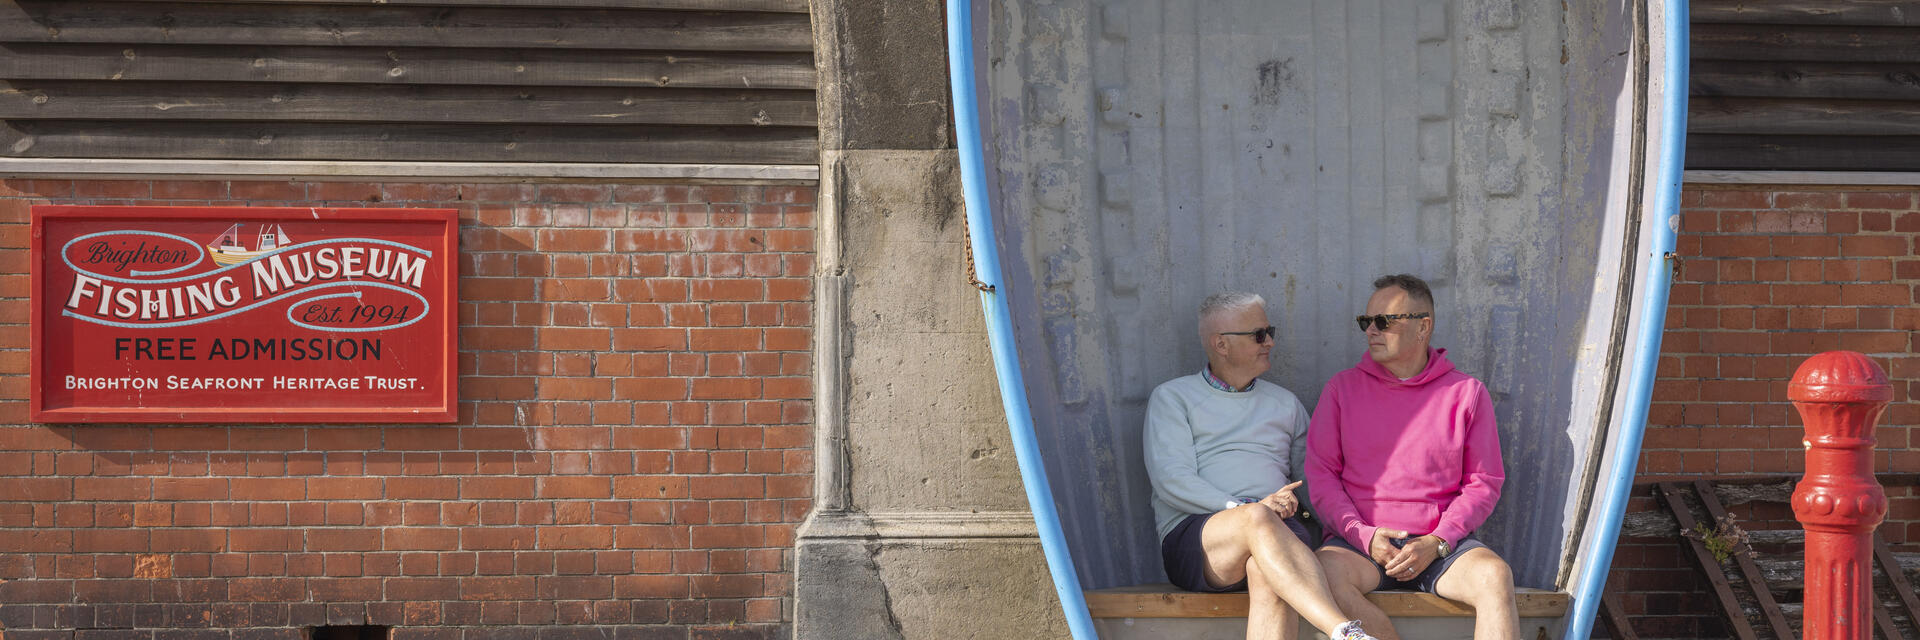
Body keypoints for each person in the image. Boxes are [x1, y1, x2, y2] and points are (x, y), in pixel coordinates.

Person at [1145, 292, 1379, 640]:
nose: (1269, 342)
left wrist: (1360, 533)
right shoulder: (1173, 398)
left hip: (1280, 528)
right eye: (1258, 334)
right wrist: (1247, 508)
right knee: (1257, 519)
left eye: (1270, 331)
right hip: (1199, 537)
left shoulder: (1286, 404)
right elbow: (1171, 481)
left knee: (1267, 571)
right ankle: (1341, 629)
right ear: (1221, 344)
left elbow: (1314, 485)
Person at [1305, 274, 1518, 640]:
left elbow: (1484, 483)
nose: (1371, 330)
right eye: (1366, 322)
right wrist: (1365, 536)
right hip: (1360, 546)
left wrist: (1437, 541)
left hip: (1440, 545)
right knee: (1319, 574)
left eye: (1384, 321)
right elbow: (1321, 477)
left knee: (1495, 576)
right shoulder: (1341, 389)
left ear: (1423, 327)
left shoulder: (1466, 393)